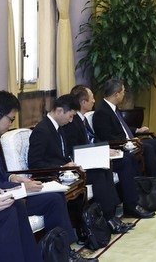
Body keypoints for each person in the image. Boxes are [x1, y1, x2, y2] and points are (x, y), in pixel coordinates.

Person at [0, 91, 95, 262]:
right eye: (11, 119)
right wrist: (19, 189)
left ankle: (60, 254)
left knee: (51, 199)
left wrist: (13, 178)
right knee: (11, 208)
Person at [28, 94, 139, 233]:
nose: (71, 120)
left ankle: (110, 217)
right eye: (70, 116)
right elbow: (34, 163)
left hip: (68, 169)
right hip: (54, 174)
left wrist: (71, 162)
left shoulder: (58, 126)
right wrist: (63, 166)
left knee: (103, 169)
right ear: (59, 111)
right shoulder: (42, 130)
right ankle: (107, 220)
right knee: (98, 175)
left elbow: (65, 152)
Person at [62, 85, 154, 219]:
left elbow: (92, 140)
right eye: (92, 98)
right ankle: (128, 206)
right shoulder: (72, 122)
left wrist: (105, 150)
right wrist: (103, 151)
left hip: (94, 155)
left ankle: (133, 201)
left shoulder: (81, 119)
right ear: (83, 102)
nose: (94, 101)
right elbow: (77, 148)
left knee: (127, 158)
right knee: (124, 161)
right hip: (84, 160)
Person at [92, 79, 156, 189]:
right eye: (123, 92)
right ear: (116, 94)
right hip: (120, 145)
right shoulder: (102, 112)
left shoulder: (112, 107)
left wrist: (137, 130)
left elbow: (121, 127)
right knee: (148, 148)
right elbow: (106, 136)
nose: (124, 94)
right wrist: (128, 142)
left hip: (129, 141)